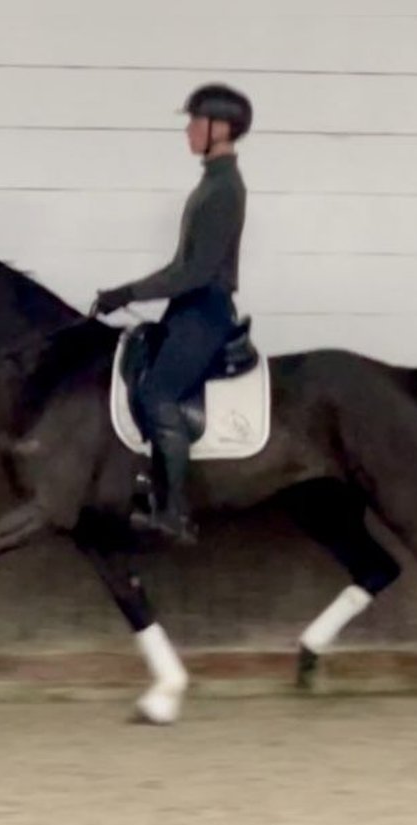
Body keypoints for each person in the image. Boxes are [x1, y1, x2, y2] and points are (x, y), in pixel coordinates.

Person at [92, 82, 252, 545]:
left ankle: (174, 513)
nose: (188, 130)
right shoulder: (211, 181)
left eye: (195, 122)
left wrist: (127, 292)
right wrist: (130, 291)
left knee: (157, 391)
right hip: (188, 307)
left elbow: (196, 272)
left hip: (205, 309)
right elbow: (181, 265)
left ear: (219, 128)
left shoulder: (224, 188)